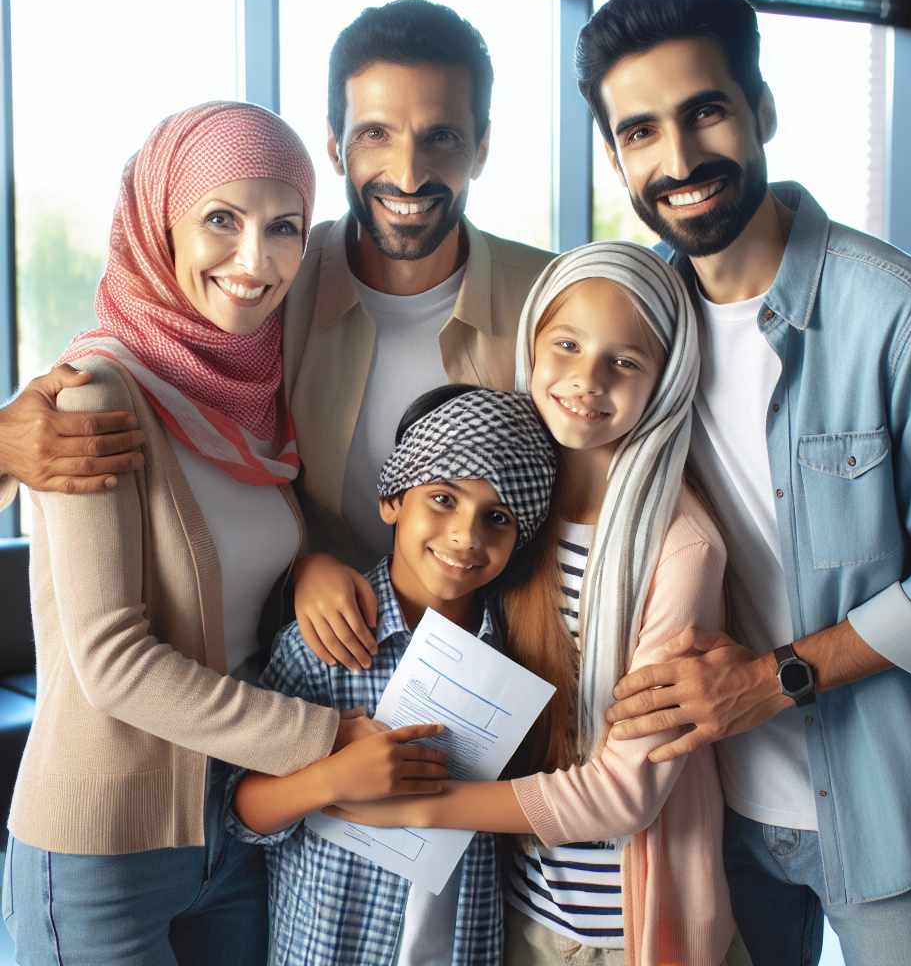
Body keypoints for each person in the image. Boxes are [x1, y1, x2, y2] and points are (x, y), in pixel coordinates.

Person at [571, 0, 911, 966]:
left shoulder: (902, 314)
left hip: (888, 801)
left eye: (706, 113)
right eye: (641, 132)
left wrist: (773, 681)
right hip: (706, 809)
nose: (679, 159)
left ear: (760, 111)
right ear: (615, 155)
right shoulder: (642, 328)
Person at [0, 0, 555, 671]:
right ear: (334, 144)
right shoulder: (270, 288)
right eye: (376, 134)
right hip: (310, 674)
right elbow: (147, 351)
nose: (408, 174)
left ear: (483, 146)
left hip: (506, 667)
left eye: (441, 137)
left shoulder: (552, 302)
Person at [0, 102, 401, 965]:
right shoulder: (96, 395)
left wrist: (310, 565)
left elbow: (239, 578)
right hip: (103, 849)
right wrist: (326, 741)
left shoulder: (251, 395)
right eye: (222, 218)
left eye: (285, 227)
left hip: (242, 825)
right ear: (160, 223)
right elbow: (115, 664)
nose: (256, 261)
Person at [328, 242, 742, 966]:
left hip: (626, 930)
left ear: (665, 379)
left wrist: (417, 806)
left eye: (625, 361)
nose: (587, 380)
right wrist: (311, 568)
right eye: (568, 345)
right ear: (531, 344)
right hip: (517, 912)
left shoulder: (681, 546)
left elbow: (625, 796)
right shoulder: (513, 509)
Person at [226, 386, 558, 966]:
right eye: (443, 498)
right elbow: (241, 811)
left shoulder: (516, 665)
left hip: (463, 943)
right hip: (328, 946)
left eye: (498, 517)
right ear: (393, 500)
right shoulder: (322, 642)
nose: (467, 536)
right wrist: (332, 779)